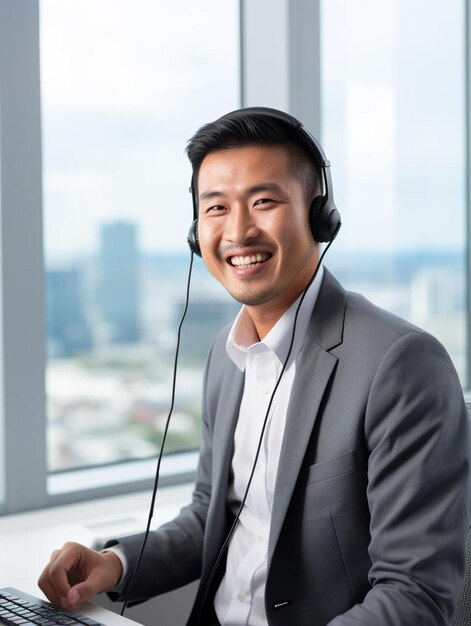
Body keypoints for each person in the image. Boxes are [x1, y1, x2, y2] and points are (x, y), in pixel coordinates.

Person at [39, 107, 471, 626]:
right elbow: (214, 514)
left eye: (263, 201)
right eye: (215, 207)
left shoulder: (399, 364)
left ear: (318, 215)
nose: (238, 230)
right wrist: (113, 563)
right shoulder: (226, 356)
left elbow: (415, 594)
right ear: (196, 230)